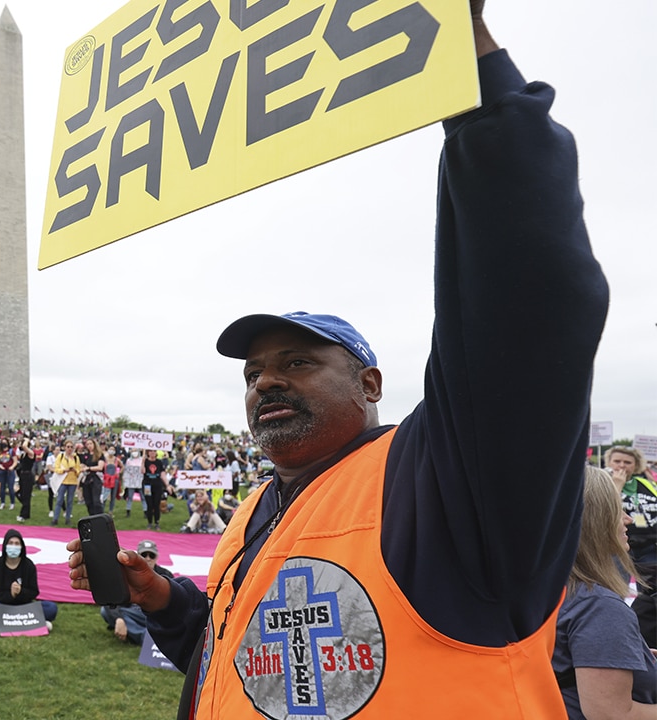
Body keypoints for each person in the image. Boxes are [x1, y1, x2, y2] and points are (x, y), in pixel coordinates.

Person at [67, 8, 611, 716]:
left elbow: (526, 298)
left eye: (296, 362)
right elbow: (250, 669)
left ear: (371, 382)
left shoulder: (445, 488)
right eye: (253, 372)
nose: (266, 380)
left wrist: (473, 71)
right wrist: (165, 601)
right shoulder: (259, 506)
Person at [552, 465, 656, 719]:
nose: (628, 519)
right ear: (597, 521)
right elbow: (611, 714)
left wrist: (635, 652)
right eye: (618, 509)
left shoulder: (554, 589)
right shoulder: (599, 606)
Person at [607, 445, 656, 645]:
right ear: (608, 462)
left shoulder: (648, 484)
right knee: (620, 588)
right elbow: (607, 511)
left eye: (628, 462)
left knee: (650, 591)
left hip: (650, 545)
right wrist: (617, 485)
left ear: (636, 465)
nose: (622, 466)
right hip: (621, 545)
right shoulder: (604, 482)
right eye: (617, 461)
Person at [0, 528, 58, 628]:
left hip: (24, 606)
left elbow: (34, 592)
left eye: (17, 543)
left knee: (51, 608)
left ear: (22, 546)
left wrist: (20, 592)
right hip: (3, 605)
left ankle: (5, 620)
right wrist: (10, 595)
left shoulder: (28, 565)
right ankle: (33, 620)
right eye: (11, 543)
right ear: (5, 545)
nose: (14, 546)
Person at [101, 540, 173, 645]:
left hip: (157, 613)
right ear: (138, 557)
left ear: (156, 557)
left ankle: (136, 632)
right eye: (144, 555)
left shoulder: (166, 575)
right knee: (107, 611)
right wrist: (119, 619)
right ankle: (144, 636)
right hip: (134, 612)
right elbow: (112, 599)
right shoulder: (127, 574)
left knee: (114, 614)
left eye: (151, 555)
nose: (148, 559)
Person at [51, 440, 81, 526]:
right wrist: (64, 470)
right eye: (68, 447)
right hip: (63, 481)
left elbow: (79, 470)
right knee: (59, 500)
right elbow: (56, 468)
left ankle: (68, 518)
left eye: (71, 447)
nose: (70, 449)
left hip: (72, 481)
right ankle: (55, 518)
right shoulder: (60, 456)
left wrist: (75, 470)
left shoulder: (76, 458)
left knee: (70, 501)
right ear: (64, 447)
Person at [141, 449, 167, 531]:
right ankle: (149, 522)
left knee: (156, 504)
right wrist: (142, 461)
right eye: (151, 451)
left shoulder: (159, 462)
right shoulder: (145, 462)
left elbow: (162, 474)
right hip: (147, 485)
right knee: (149, 504)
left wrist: (167, 484)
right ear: (148, 453)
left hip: (157, 485)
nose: (152, 453)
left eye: (154, 451)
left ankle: (157, 522)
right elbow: (142, 471)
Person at [79, 438, 106, 516]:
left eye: (90, 444)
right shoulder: (86, 455)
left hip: (96, 478)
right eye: (87, 444)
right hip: (87, 478)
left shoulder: (99, 455)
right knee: (88, 501)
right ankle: (92, 517)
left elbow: (100, 467)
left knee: (96, 501)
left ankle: (100, 517)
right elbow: (82, 465)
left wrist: (89, 468)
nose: (89, 446)